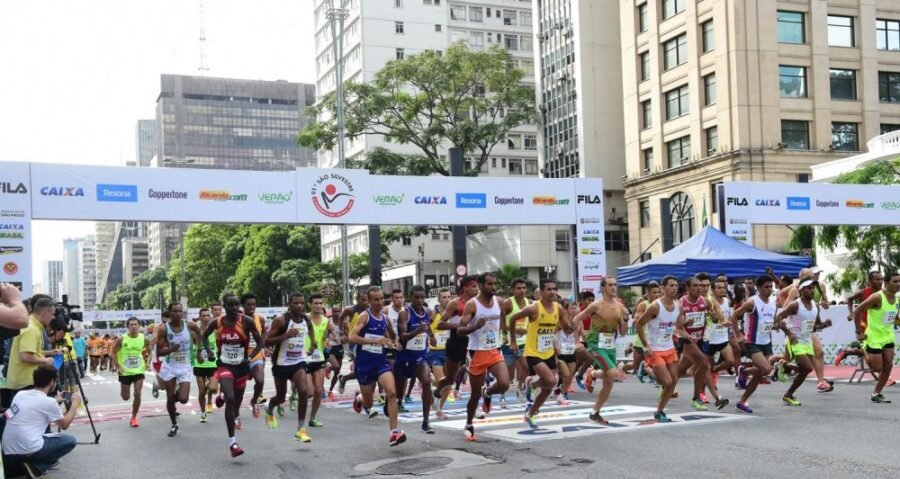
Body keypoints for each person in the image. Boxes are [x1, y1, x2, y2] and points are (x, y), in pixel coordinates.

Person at [201, 294, 264, 457]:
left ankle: (222, 396)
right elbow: (204, 336)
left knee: (235, 404)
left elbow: (260, 342)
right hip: (224, 365)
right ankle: (233, 443)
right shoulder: (217, 322)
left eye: (237, 305)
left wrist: (249, 358)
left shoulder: (246, 322)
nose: (234, 308)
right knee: (231, 399)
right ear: (224, 306)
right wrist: (208, 351)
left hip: (241, 368)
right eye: (231, 305)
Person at [510, 279, 572, 428]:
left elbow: (567, 329)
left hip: (548, 351)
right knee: (551, 381)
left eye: (555, 289)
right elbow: (513, 319)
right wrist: (512, 341)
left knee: (549, 387)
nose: (553, 292)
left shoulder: (559, 309)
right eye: (549, 289)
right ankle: (532, 384)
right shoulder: (533, 308)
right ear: (541, 293)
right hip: (533, 352)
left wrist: (572, 326)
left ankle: (531, 412)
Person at [349, 287, 406, 446]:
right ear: (369, 301)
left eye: (382, 299)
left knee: (392, 393)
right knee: (369, 404)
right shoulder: (364, 317)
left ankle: (394, 432)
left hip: (380, 362)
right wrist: (373, 341)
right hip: (364, 364)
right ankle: (359, 398)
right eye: (376, 299)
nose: (380, 302)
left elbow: (392, 336)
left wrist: (394, 343)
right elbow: (351, 337)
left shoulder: (385, 319)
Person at [457, 273, 511, 441]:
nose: (493, 287)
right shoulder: (472, 305)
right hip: (476, 352)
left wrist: (504, 332)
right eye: (489, 284)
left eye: (495, 284)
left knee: (504, 383)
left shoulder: (499, 301)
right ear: (480, 285)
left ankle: (487, 392)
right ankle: (468, 424)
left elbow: (500, 319)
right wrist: (475, 326)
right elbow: (460, 330)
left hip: (494, 349)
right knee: (474, 395)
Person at [2, 366, 80, 477]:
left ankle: (27, 466)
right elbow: (65, 424)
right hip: (29, 449)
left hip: (8, 449)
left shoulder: (20, 395)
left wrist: (55, 401)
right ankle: (37, 467)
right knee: (70, 441)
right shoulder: (49, 403)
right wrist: (75, 405)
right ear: (52, 382)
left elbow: (7, 416)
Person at [571, 277, 628, 424]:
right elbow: (576, 319)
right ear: (603, 288)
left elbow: (622, 332)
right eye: (610, 285)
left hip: (610, 346)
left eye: (615, 284)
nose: (613, 287)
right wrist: (577, 341)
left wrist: (626, 319)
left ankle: (595, 412)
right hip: (596, 345)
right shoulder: (596, 305)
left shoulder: (620, 307)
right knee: (615, 374)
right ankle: (593, 373)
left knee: (609, 382)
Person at [263, 292, 316, 442]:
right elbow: (266, 341)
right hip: (281, 363)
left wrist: (312, 343)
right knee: (281, 397)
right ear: (289, 304)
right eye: (296, 303)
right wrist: (285, 336)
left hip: (299, 361)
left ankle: (300, 430)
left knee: (304, 391)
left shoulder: (306, 318)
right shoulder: (281, 320)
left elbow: (310, 329)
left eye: (302, 303)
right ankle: (269, 407)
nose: (299, 306)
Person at [635, 275, 682, 422]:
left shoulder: (678, 305)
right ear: (663, 288)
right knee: (667, 382)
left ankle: (659, 411)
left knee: (674, 381)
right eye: (671, 285)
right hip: (655, 349)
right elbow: (638, 324)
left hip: (669, 347)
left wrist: (684, 329)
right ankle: (648, 371)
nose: (674, 288)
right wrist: (645, 345)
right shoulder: (655, 306)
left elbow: (679, 324)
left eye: (676, 285)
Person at [154, 303, 203, 437]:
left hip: (185, 366)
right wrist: (170, 349)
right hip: (170, 366)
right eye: (175, 311)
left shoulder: (190, 325)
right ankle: (174, 424)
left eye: (180, 311)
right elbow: (157, 352)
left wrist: (199, 351)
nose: (177, 313)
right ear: (169, 313)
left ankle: (174, 397)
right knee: (170, 398)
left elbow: (199, 333)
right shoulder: (164, 329)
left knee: (183, 399)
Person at [677, 275, 726, 410]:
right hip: (686, 340)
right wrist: (687, 333)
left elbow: (714, 319)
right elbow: (678, 327)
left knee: (680, 371)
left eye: (701, 286)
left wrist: (716, 319)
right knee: (704, 364)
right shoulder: (681, 303)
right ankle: (700, 398)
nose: (699, 288)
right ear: (687, 288)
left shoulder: (705, 302)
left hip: (699, 339)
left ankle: (666, 385)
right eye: (695, 286)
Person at [730, 275, 777, 413]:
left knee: (759, 375)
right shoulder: (752, 302)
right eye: (766, 287)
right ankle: (744, 371)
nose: (769, 289)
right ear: (759, 288)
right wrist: (739, 335)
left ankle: (742, 401)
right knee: (767, 369)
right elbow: (734, 316)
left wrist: (777, 325)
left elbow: (770, 322)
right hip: (752, 341)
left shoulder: (774, 303)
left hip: (766, 342)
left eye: (771, 286)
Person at [2, 297, 58, 407]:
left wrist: (50, 352)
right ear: (45, 313)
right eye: (52, 314)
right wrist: (46, 361)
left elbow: (31, 351)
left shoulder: (31, 325)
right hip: (27, 384)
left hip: (24, 383)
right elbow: (26, 356)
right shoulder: (31, 329)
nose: (53, 317)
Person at [853, 271, 900, 404]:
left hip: (888, 336)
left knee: (888, 366)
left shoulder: (897, 299)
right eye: (895, 281)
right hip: (874, 336)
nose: (898, 284)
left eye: (899, 281)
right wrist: (859, 332)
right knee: (877, 368)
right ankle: (862, 350)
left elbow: (895, 318)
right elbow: (858, 310)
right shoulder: (877, 297)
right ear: (886, 283)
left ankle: (876, 393)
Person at [395, 286, 437, 433]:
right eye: (416, 297)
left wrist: (431, 337)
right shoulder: (404, 314)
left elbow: (427, 328)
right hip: (405, 357)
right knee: (398, 392)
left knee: (426, 381)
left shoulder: (427, 312)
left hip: (421, 357)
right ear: (410, 298)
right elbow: (403, 336)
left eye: (422, 297)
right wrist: (417, 331)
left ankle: (425, 422)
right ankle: (396, 400)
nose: (419, 300)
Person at [775, 279, 823, 406]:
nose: (811, 290)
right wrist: (789, 333)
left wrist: (825, 324)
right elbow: (779, 317)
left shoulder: (815, 306)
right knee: (807, 367)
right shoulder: (795, 305)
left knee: (804, 370)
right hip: (795, 340)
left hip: (806, 341)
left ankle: (788, 390)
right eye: (808, 288)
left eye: (813, 288)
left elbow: (816, 325)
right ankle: (785, 371)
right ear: (801, 290)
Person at [434, 276, 479, 410]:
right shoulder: (455, 303)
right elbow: (440, 324)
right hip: (456, 343)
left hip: (472, 344)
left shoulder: (478, 303)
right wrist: (459, 326)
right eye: (473, 286)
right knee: (450, 379)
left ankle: (473, 408)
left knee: (477, 377)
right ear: (465, 288)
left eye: (477, 286)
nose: (477, 289)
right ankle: (437, 392)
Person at [837, 271, 884, 367]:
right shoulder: (864, 292)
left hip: (877, 325)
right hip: (864, 324)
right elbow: (850, 299)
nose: (880, 281)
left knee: (874, 349)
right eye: (877, 279)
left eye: (881, 279)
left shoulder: (884, 293)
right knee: (871, 349)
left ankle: (846, 352)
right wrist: (851, 313)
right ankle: (883, 375)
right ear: (870, 281)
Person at [112, 317, 150, 428]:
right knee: (126, 397)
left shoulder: (144, 338)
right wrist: (118, 367)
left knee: (137, 394)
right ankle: (124, 393)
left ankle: (134, 417)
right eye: (131, 325)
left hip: (139, 370)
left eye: (135, 324)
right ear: (128, 327)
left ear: (139, 326)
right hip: (125, 371)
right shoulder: (121, 339)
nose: (133, 327)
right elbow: (112, 353)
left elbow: (150, 351)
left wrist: (148, 362)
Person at [305, 294, 334, 429]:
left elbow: (323, 338)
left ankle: (312, 418)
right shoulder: (304, 318)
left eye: (320, 303)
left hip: (319, 358)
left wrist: (326, 343)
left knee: (318, 390)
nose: (318, 305)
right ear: (309, 304)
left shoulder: (326, 321)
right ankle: (295, 396)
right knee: (309, 392)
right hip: (304, 358)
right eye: (315, 303)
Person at [500, 278, 530, 406]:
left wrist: (527, 329)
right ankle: (502, 394)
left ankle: (520, 388)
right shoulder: (508, 303)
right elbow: (500, 323)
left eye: (523, 288)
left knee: (527, 367)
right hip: (508, 342)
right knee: (509, 375)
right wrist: (514, 329)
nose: (522, 290)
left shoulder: (529, 303)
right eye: (518, 288)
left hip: (524, 342)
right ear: (513, 290)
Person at [239, 294, 268, 419]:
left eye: (254, 305)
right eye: (249, 305)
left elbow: (264, 332)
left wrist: (263, 345)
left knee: (260, 381)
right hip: (241, 357)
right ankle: (236, 413)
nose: (252, 307)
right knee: (240, 388)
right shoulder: (238, 319)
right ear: (243, 306)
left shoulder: (260, 318)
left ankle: (254, 400)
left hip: (256, 355)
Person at [334, 292, 369, 395]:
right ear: (357, 300)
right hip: (354, 344)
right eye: (363, 300)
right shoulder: (351, 310)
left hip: (368, 342)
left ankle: (343, 378)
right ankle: (363, 391)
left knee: (365, 369)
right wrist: (341, 333)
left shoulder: (370, 310)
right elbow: (341, 318)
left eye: (367, 300)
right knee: (361, 369)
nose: (366, 302)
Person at [705, 278, 736, 395]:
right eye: (719, 288)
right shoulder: (709, 302)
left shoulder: (727, 301)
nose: (722, 290)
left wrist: (731, 330)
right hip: (710, 338)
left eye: (723, 287)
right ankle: (703, 393)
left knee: (731, 361)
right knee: (707, 366)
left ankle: (714, 371)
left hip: (722, 337)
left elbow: (728, 317)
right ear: (712, 290)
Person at [192, 308, 219, 423]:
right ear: (200, 317)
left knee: (213, 389)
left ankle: (209, 385)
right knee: (201, 391)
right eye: (203, 316)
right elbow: (191, 347)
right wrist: (196, 354)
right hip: (200, 364)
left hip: (213, 363)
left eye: (208, 315)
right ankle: (203, 413)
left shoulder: (216, 331)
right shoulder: (195, 332)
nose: (206, 318)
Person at [631, 282, 660, 383]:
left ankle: (658, 381)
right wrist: (649, 316)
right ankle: (623, 367)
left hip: (656, 339)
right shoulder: (643, 304)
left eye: (658, 292)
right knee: (634, 365)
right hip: (642, 340)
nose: (657, 295)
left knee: (655, 362)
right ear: (648, 293)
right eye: (654, 292)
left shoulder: (660, 305)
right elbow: (636, 320)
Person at [428, 289, 451, 417]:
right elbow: (424, 325)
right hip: (435, 352)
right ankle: (430, 380)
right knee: (442, 381)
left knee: (448, 385)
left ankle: (439, 409)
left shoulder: (453, 313)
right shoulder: (433, 313)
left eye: (448, 297)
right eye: (443, 297)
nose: (447, 299)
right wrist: (431, 336)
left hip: (449, 352)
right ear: (438, 299)